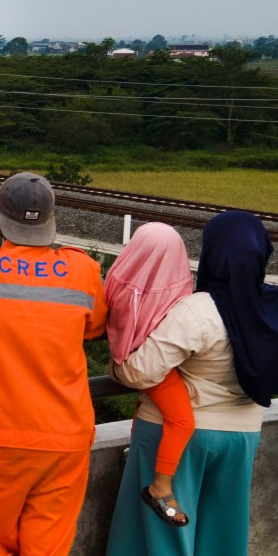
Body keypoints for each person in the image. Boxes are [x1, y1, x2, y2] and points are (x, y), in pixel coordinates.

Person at [105, 210, 278, 556]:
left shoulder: (197, 310)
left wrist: (115, 366)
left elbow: (138, 372)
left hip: (179, 438)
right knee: (223, 537)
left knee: (164, 540)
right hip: (242, 436)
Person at [0, 172, 108, 556]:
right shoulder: (82, 270)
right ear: (51, 220)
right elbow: (95, 326)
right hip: (65, 435)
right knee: (48, 545)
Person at [104, 223, 195, 526]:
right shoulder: (174, 286)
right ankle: (161, 487)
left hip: (121, 360)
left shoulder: (119, 276)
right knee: (182, 420)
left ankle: (134, 449)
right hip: (149, 369)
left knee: (147, 403)